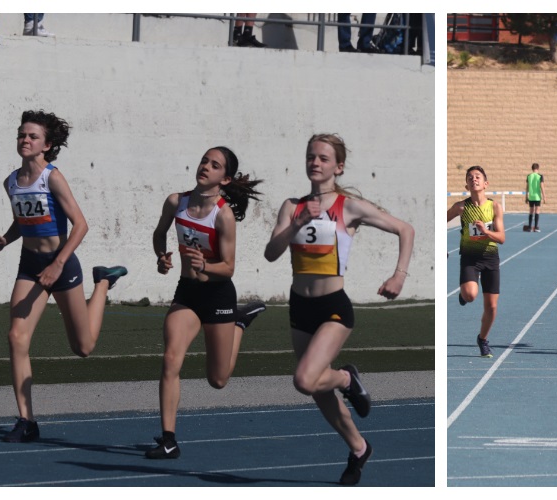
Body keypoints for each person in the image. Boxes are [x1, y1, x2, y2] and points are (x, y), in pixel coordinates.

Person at [264, 134, 414, 485]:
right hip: (300, 307)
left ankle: (347, 378)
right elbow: (271, 253)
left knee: (305, 379)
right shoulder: (291, 206)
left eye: (323, 158)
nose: (315, 163)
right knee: (317, 388)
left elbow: (405, 229)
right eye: (311, 156)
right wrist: (297, 223)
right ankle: (359, 448)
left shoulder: (349, 207)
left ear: (338, 167)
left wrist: (399, 275)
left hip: (333, 308)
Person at [0, 110, 127, 442]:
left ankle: (103, 282)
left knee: (83, 347)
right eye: (22, 134)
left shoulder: (53, 178)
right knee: (16, 337)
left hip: (61, 265)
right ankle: (26, 421)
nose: (25, 140)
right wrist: (5, 241)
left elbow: (81, 224)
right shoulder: (11, 181)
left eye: (32, 136)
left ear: (46, 145)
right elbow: (23, 221)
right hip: (30, 266)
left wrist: (58, 263)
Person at [146, 146, 266, 459]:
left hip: (218, 295)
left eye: (214, 165)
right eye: (204, 161)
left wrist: (206, 266)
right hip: (187, 292)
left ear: (224, 179)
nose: (205, 167)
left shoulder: (223, 215)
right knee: (171, 358)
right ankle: (169, 439)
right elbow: (159, 234)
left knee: (218, 379)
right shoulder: (177, 202)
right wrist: (161, 257)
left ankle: (239, 322)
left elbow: (228, 267)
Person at [447, 166, 506, 358]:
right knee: (471, 295)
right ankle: (464, 294)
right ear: (466, 185)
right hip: (470, 258)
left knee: (492, 307)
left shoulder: (495, 207)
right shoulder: (461, 207)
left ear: (485, 183)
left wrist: (486, 231)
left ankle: (483, 339)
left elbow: (502, 238)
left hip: (490, 258)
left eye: (478, 176)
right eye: (470, 177)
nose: (474, 179)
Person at [525, 163, 545, 232]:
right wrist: (544, 197)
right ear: (538, 168)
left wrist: (526, 196)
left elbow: (527, 187)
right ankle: (536, 227)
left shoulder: (529, 176)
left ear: (532, 168)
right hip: (537, 197)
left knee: (531, 211)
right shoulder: (540, 176)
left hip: (531, 196)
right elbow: (542, 187)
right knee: (537, 211)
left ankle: (529, 227)